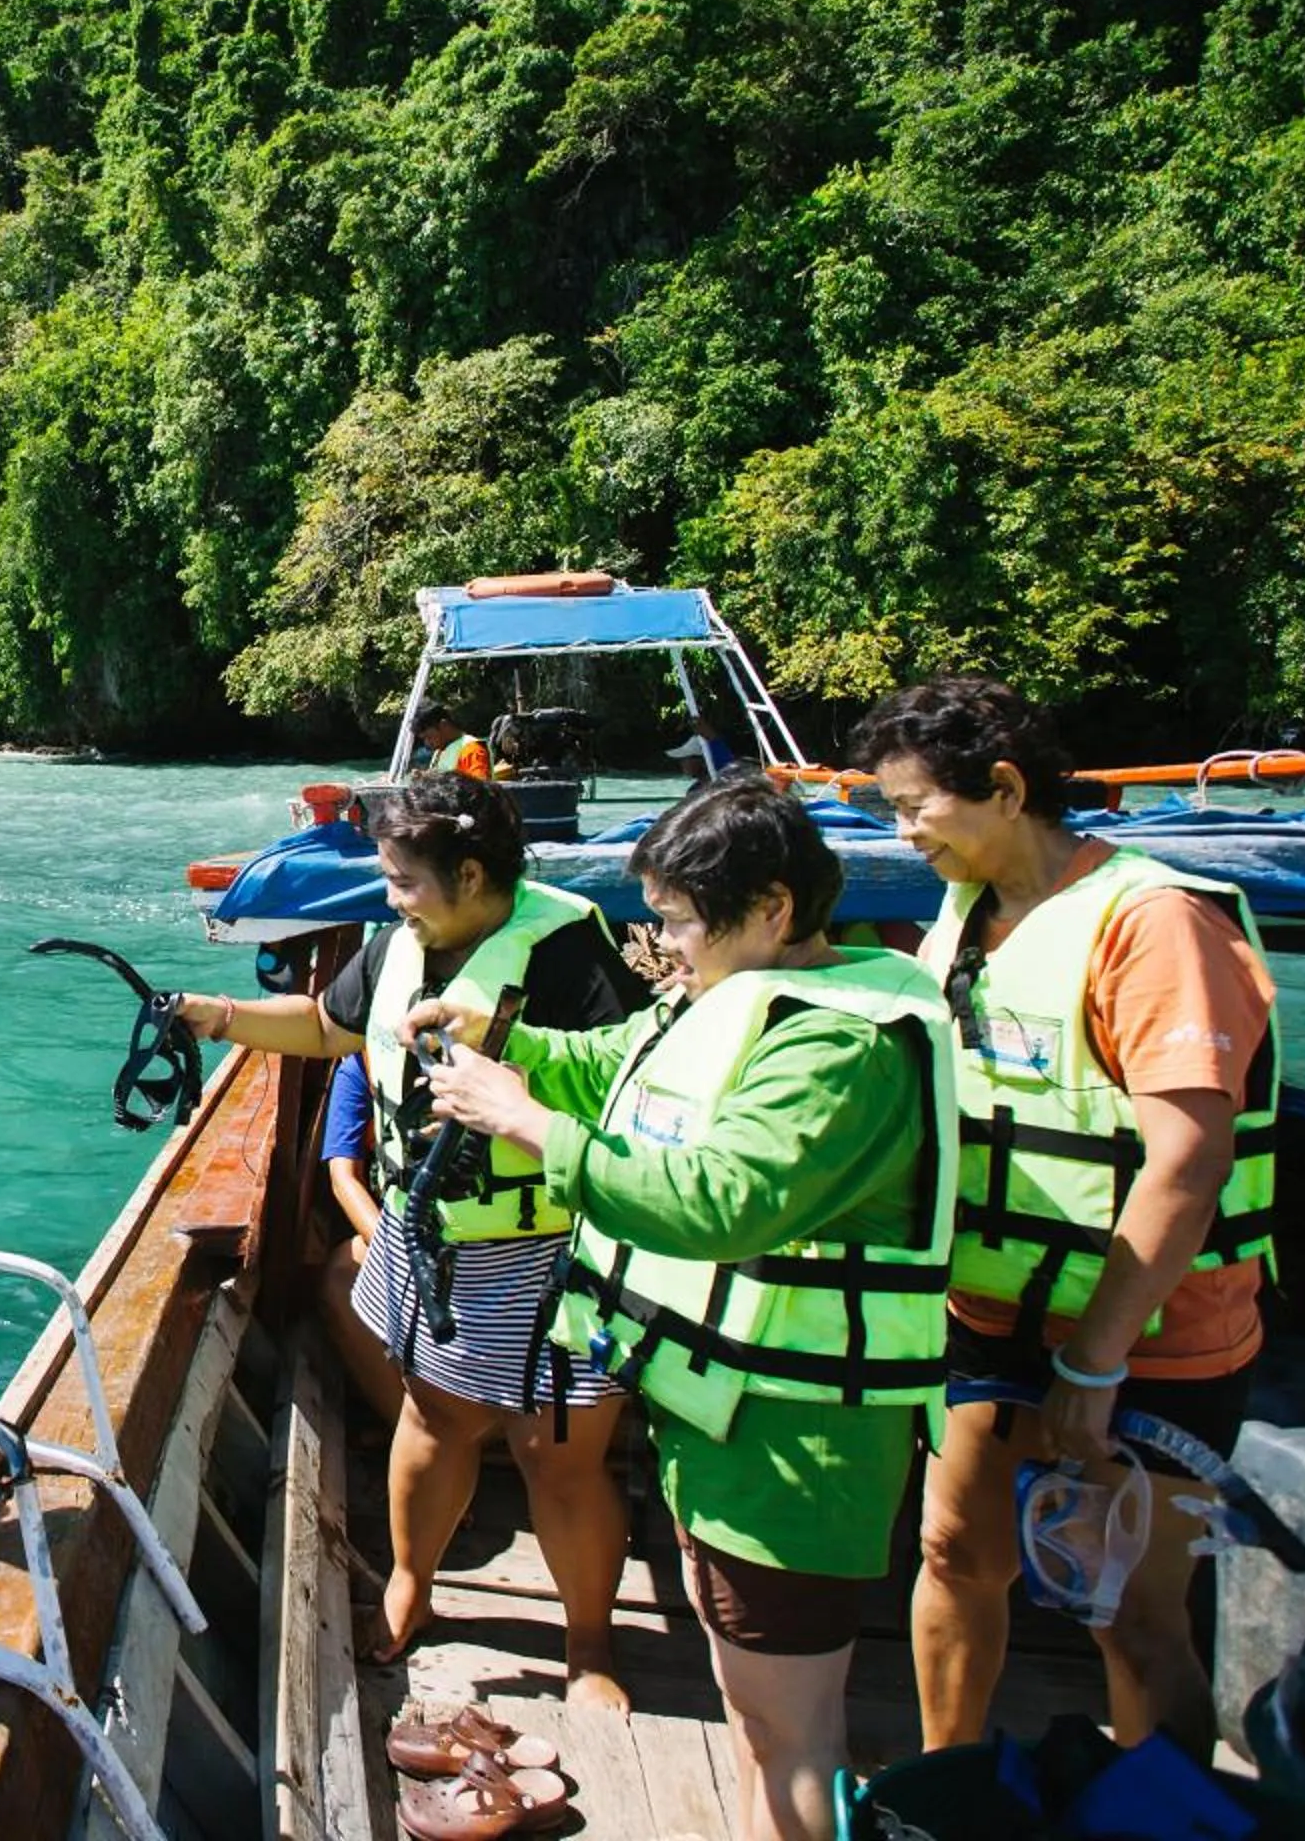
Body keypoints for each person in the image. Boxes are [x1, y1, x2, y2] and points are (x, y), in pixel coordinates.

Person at [417, 772, 958, 1841]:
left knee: (791, 1729)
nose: (662, 948)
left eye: (677, 921)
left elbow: (720, 1201)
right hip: (723, 1418)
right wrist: (507, 1042)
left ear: (772, 907)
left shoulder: (837, 1046)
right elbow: (614, 1065)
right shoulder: (725, 1000)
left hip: (793, 1446)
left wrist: (520, 1119)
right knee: (759, 1719)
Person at [854, 679, 1277, 1762]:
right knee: (952, 1549)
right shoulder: (964, 916)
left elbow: (1188, 1159)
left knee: (1133, 1610)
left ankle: (1159, 1811)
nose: (902, 837)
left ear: (1003, 786)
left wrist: (1096, 1360)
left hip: (1153, 1337)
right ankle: (945, 1788)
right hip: (990, 1310)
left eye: (914, 808)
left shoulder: (1155, 921)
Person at [169, 771, 643, 1704]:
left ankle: (590, 1647)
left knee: (558, 1454)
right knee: (432, 1421)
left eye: (403, 881)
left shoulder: (566, 955)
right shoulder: (398, 946)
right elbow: (326, 1025)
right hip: (432, 1239)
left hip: (550, 1250)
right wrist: (217, 1016)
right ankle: (411, 1588)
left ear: (471, 874)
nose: (389, 899)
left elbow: (629, 1092)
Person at [314, 1052, 406, 1423]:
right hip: (404, 1230)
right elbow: (343, 1178)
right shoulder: (361, 1068)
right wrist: (393, 1249)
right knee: (341, 1278)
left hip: (497, 1233)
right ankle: (407, 1426)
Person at [406, 705, 492, 780]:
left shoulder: (472, 750)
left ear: (444, 725)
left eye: (429, 737)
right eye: (423, 739)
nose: (427, 743)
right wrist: (425, 777)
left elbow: (481, 790)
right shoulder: (440, 751)